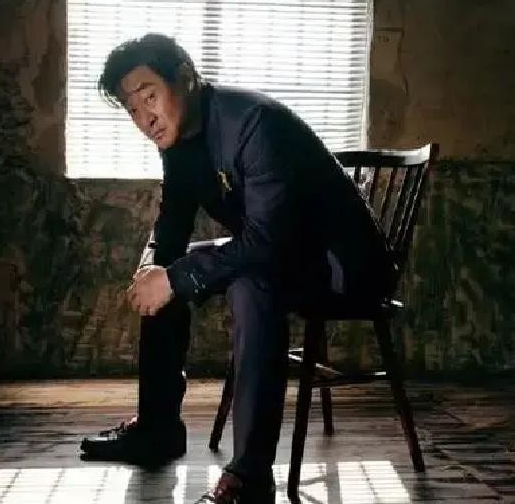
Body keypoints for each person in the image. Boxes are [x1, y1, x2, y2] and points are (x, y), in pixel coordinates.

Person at [80, 33, 396, 504]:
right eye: (132, 109)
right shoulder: (178, 137)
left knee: (249, 281)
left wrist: (175, 277)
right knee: (168, 272)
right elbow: (173, 220)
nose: (145, 118)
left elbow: (266, 242)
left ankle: (249, 479)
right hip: (288, 254)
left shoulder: (252, 122)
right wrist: (152, 267)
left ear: (185, 78)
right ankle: (158, 429)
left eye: (150, 96)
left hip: (346, 265)